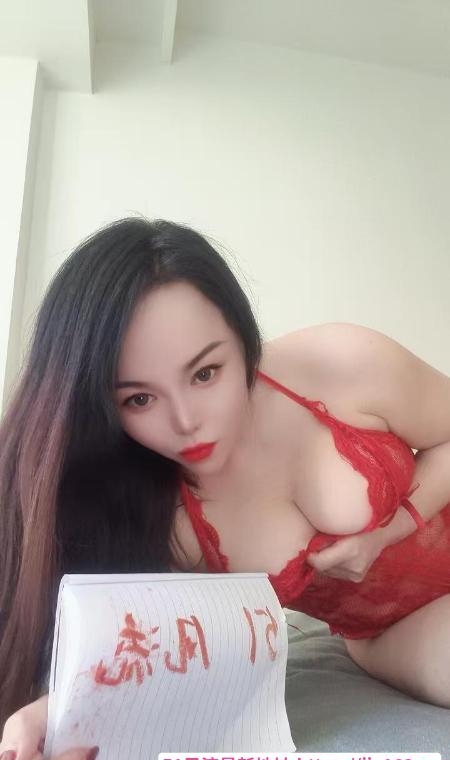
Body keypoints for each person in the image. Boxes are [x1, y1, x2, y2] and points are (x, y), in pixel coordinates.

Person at [1, 217, 450, 760]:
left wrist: (389, 530)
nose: (186, 421)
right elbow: (143, 648)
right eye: (139, 399)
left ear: (243, 336)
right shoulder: (157, 516)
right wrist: (49, 713)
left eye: (205, 373)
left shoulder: (341, 363)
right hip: (395, 630)